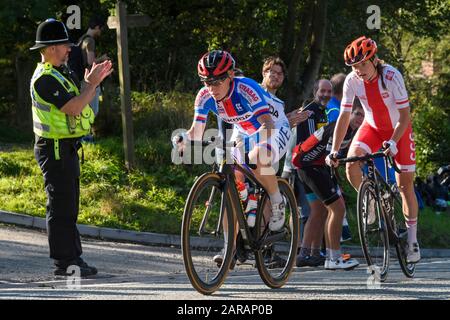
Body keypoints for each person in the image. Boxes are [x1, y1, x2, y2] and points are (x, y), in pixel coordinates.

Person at [173, 50, 291, 262]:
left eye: (216, 82)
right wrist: (183, 139)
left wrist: (244, 145)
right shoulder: (204, 95)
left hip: (273, 126)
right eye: (206, 81)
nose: (211, 88)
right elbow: (197, 132)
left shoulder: (246, 88)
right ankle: (230, 250)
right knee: (230, 189)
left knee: (256, 158)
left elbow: (268, 125)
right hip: (243, 129)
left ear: (230, 77)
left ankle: (277, 200)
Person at [326, 36, 420, 264]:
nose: (359, 70)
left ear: (374, 59)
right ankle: (371, 198)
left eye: (363, 64)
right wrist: (335, 150)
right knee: (351, 165)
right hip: (373, 127)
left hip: (400, 129)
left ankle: (412, 241)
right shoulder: (351, 80)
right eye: (354, 66)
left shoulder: (391, 76)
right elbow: (345, 116)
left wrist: (395, 141)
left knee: (404, 185)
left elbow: (405, 115)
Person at [30, 18, 113, 276]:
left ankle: (73, 258)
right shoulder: (44, 79)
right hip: (53, 149)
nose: (69, 48)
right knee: (61, 208)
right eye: (65, 44)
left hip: (65, 147)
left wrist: (87, 84)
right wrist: (92, 85)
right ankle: (65, 263)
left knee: (69, 206)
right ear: (51, 47)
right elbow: (75, 107)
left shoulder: (59, 71)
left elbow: (77, 99)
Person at [292, 100, 364, 269]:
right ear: (349, 113)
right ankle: (334, 257)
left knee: (318, 210)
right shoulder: (342, 127)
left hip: (306, 165)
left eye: (364, 115)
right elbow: (329, 157)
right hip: (310, 166)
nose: (361, 119)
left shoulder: (351, 130)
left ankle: (307, 254)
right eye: (358, 114)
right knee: (338, 208)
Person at [290, 79, 332, 267]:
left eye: (329, 91)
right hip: (308, 167)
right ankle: (304, 253)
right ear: (315, 91)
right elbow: (308, 142)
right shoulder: (310, 111)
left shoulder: (322, 111)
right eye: (322, 91)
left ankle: (314, 252)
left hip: (314, 165)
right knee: (317, 211)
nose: (326, 94)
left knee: (320, 210)